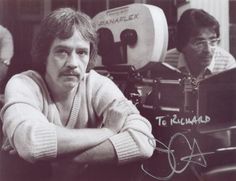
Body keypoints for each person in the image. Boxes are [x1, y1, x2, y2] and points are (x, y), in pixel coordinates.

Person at [0, 8, 155, 181]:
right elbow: (33, 143)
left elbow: (144, 141)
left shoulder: (96, 84)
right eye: (62, 52)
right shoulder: (23, 84)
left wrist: (55, 155)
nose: (73, 63)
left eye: (81, 52)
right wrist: (108, 131)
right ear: (44, 55)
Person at [164, 8, 236, 81]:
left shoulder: (226, 64)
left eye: (213, 41)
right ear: (182, 44)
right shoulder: (166, 63)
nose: (208, 50)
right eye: (199, 43)